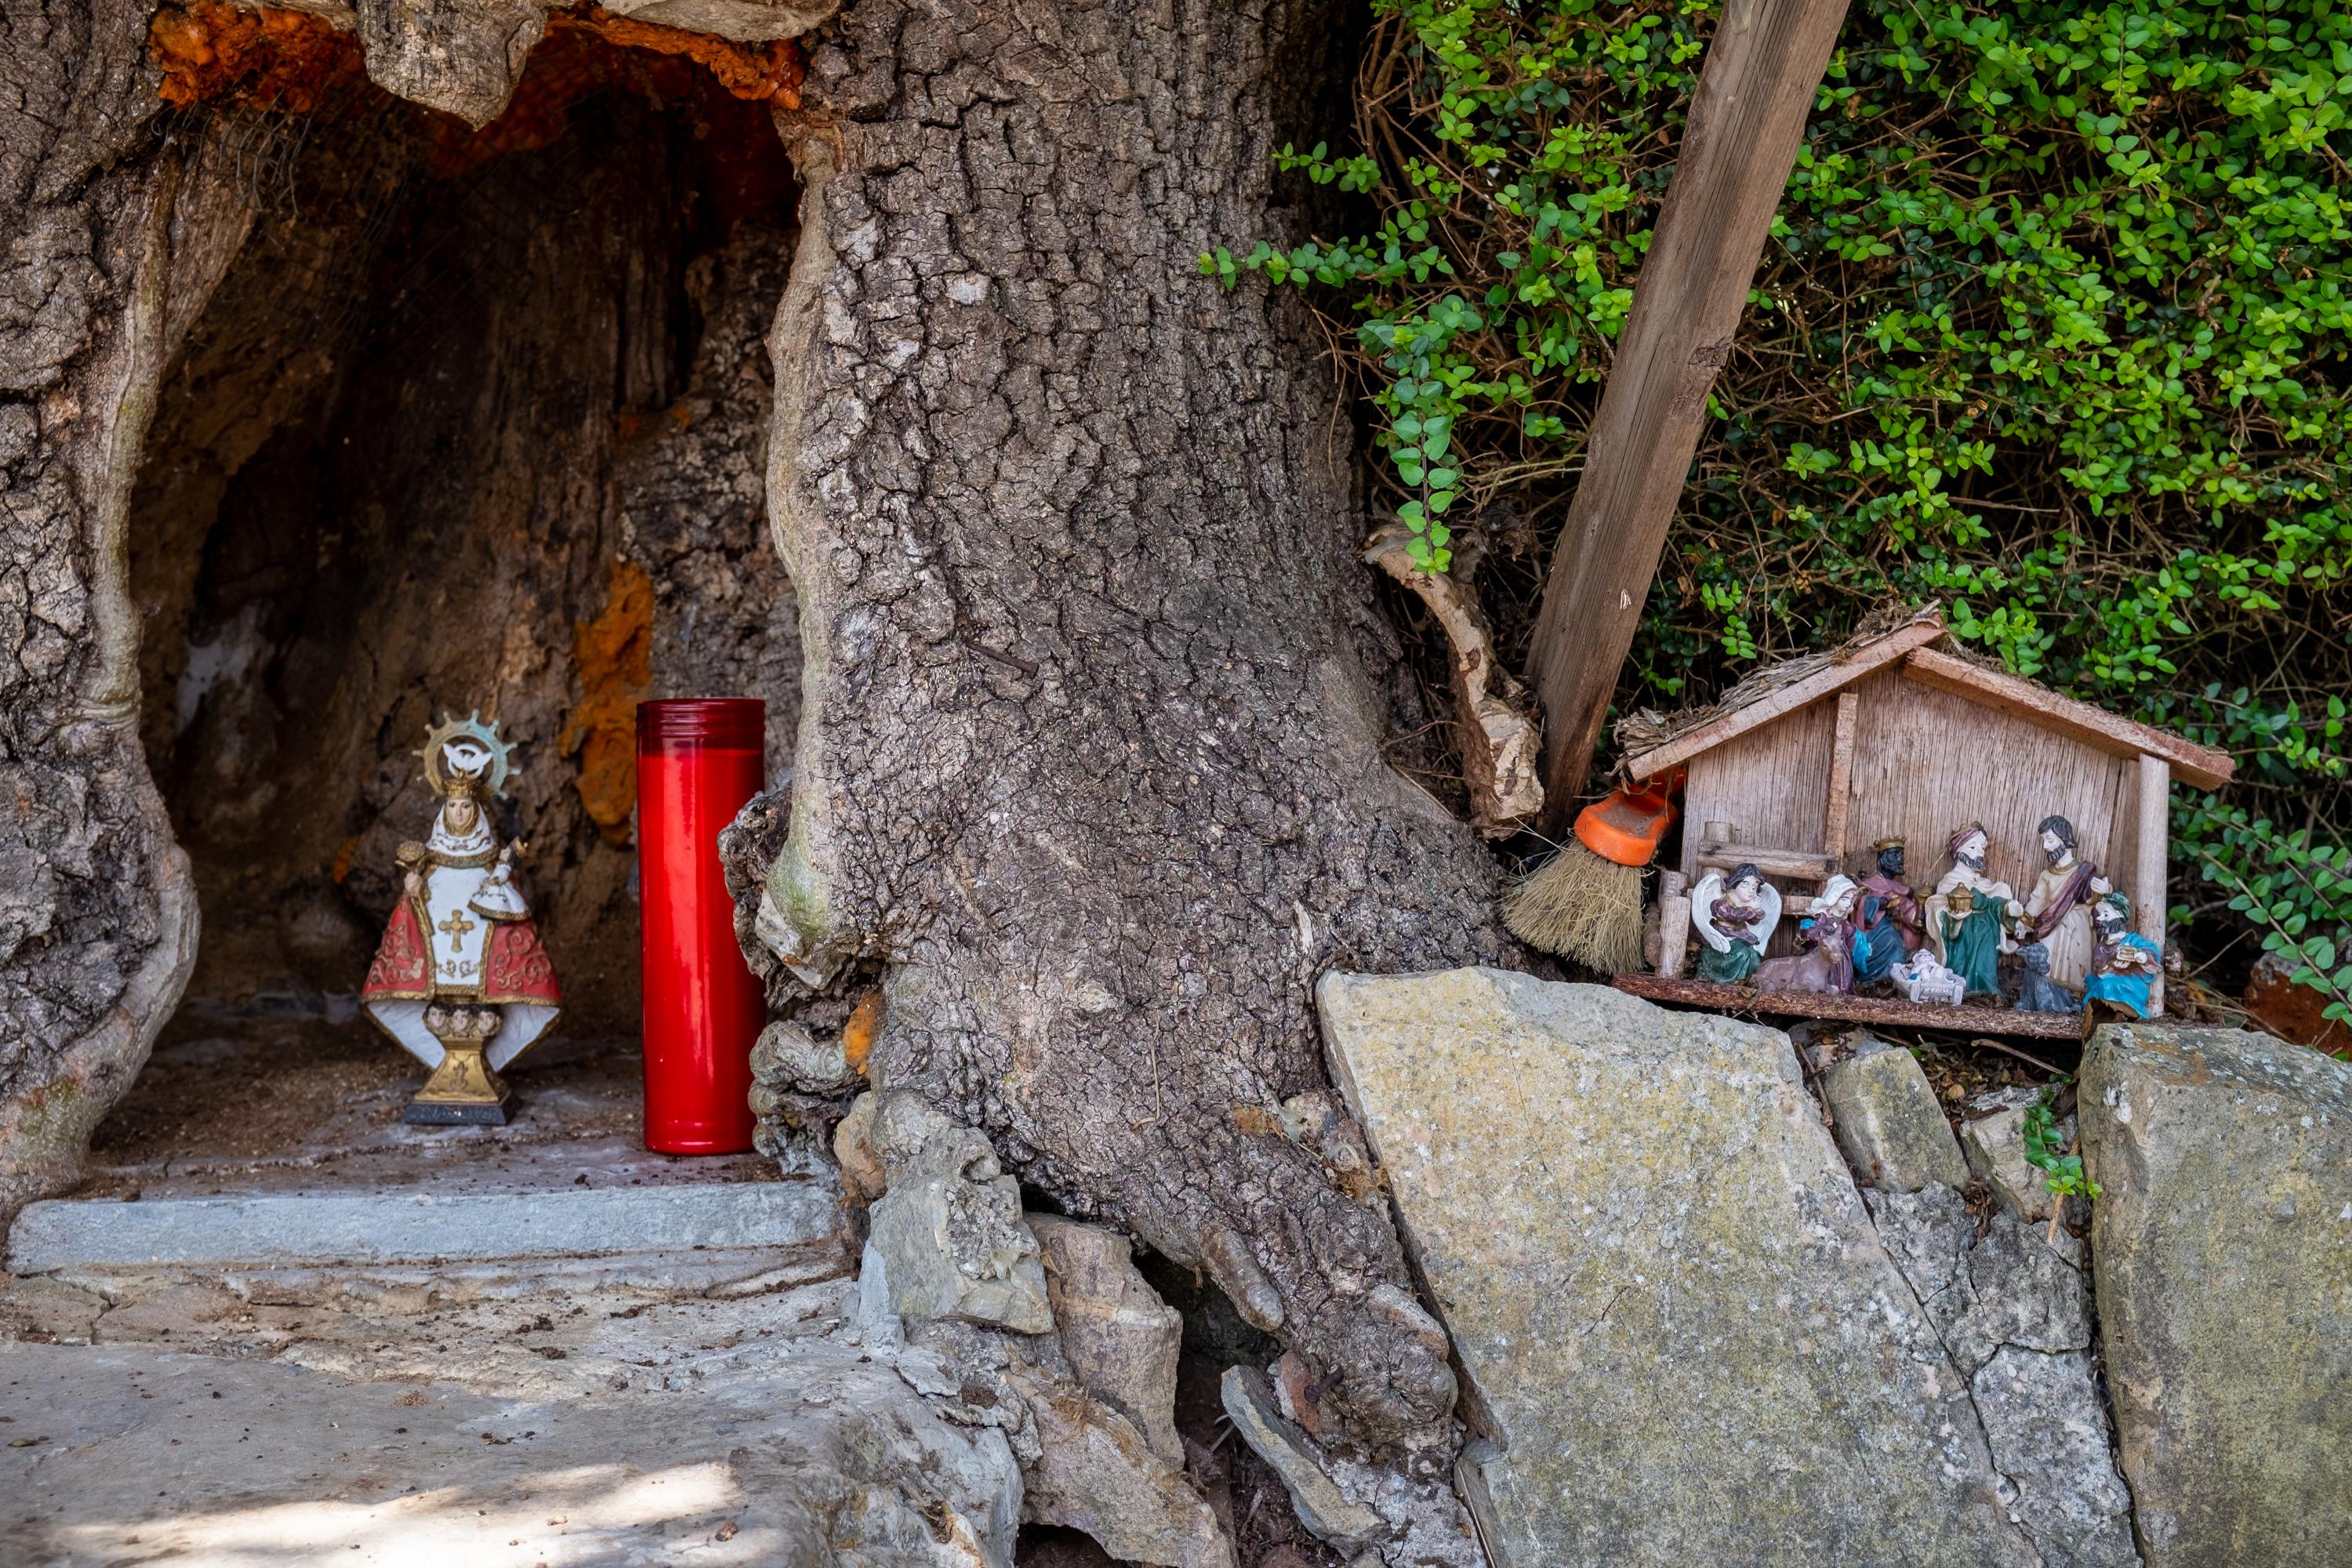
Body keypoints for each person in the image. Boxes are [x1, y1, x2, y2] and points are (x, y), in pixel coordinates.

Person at [1929, 824, 2016, 999]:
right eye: (1973, 847)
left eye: (1982, 847)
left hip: (1987, 935)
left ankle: (1987, 986)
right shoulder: (1949, 882)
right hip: (1962, 940)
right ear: (1959, 852)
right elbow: (1938, 909)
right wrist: (1955, 919)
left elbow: (1993, 904)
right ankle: (1964, 983)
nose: (1980, 853)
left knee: (1986, 930)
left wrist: (2006, 909)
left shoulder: (1984, 884)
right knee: (1978, 930)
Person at [2022, 814, 2104, 986]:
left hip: (2077, 929)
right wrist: (2023, 921)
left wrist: (2103, 891)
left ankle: (2075, 993)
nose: (2046, 846)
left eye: (2050, 840)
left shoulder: (2084, 872)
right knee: (2046, 962)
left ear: (2065, 839)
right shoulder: (2047, 875)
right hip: (2051, 928)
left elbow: (2095, 898)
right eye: (2044, 841)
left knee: (2076, 967)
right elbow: (2037, 900)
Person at [1853, 837, 1922, 985]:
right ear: (1882, 858)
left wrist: (1917, 915)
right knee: (1893, 942)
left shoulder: (1901, 889)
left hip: (1892, 929)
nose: (1900, 859)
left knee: (1896, 942)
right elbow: (1857, 906)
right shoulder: (1868, 884)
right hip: (1872, 932)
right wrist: (1877, 903)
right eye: (1895, 855)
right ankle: (1876, 980)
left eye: (1901, 855)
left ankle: (1892, 981)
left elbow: (1907, 909)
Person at [2084, 893, 2161, 1018]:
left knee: (2110, 985)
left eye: (2106, 915)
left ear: (2120, 917)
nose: (2100, 919)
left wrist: (2142, 956)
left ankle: (2124, 1014)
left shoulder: (2133, 940)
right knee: (2105, 985)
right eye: (2101, 915)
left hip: (2131, 984)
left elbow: (2150, 952)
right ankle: (2107, 1015)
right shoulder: (2101, 948)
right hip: (2105, 984)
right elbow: (2100, 972)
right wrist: (2112, 966)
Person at [1693, 863, 1773, 984]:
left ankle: (1747, 981)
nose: (1751, 891)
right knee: (1742, 953)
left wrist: (1757, 911)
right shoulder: (1721, 902)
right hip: (1724, 937)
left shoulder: (1746, 903)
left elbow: (1753, 921)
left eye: (1754, 887)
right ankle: (1731, 980)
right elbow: (1732, 915)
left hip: (1741, 936)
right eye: (1745, 886)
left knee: (1754, 957)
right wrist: (1750, 909)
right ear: (1735, 883)